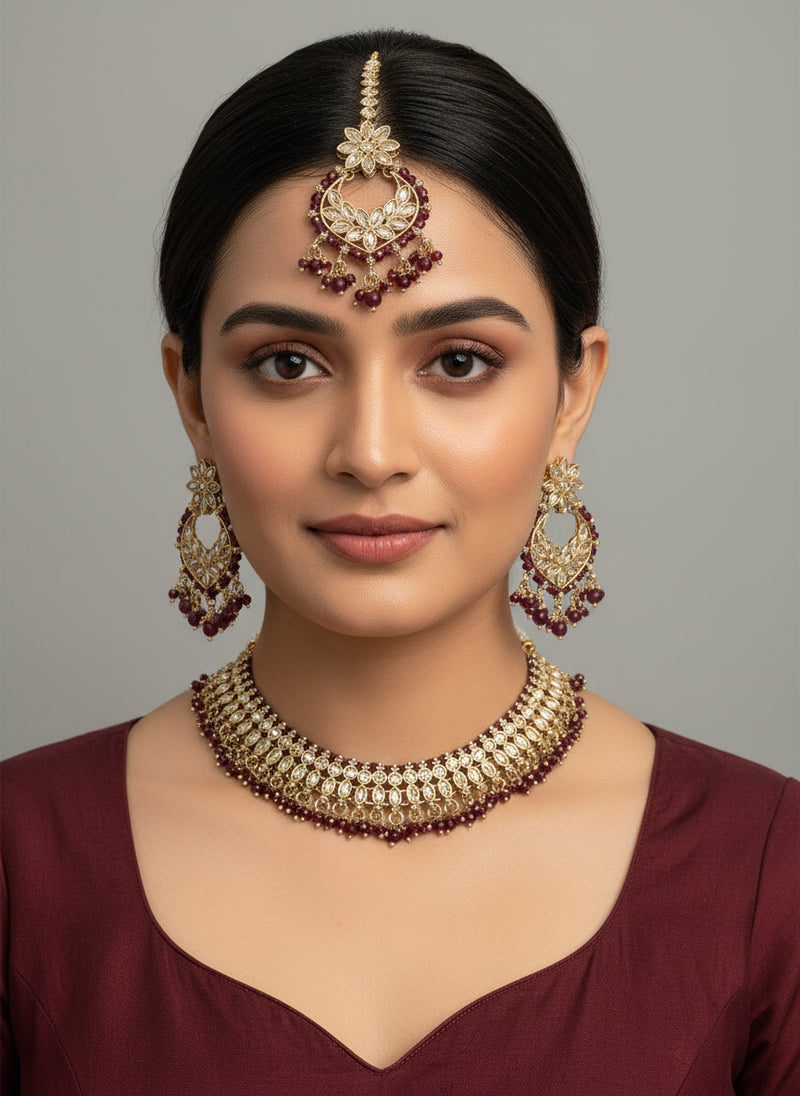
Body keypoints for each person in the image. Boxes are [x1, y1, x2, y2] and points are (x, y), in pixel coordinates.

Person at [1, 29, 797, 1094]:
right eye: (287, 363)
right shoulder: (24, 865)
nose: (370, 450)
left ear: (571, 394)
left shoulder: (764, 871)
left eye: (458, 362)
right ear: (191, 396)